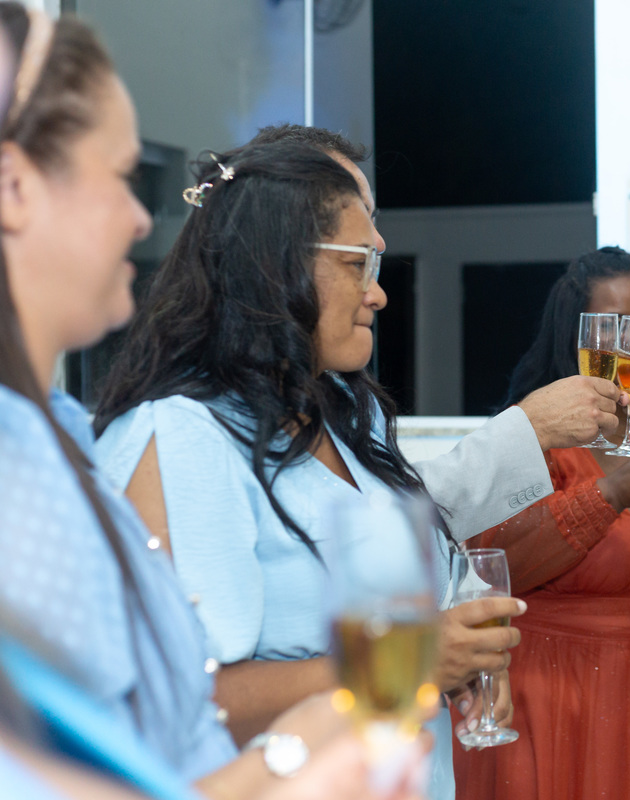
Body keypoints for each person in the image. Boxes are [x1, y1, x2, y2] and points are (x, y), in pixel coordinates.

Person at [0, 6, 426, 798]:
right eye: (123, 176)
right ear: (15, 188)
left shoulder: (53, 431)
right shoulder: (65, 455)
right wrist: (288, 759)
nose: (143, 217)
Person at [90, 139, 552, 800]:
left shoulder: (347, 419)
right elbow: (183, 700)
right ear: (274, 268)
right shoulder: (185, 437)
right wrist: (409, 660)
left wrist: (456, 660)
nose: (379, 294)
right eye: (359, 263)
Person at [452, 247, 630, 800]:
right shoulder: (535, 437)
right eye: (612, 329)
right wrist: (608, 496)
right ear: (578, 337)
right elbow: (497, 566)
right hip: (559, 696)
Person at [244, 123, 624, 541]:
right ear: (279, 249)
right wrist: (532, 429)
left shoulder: (346, 395)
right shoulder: (207, 424)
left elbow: (403, 514)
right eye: (357, 217)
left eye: (372, 217)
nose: (378, 240)